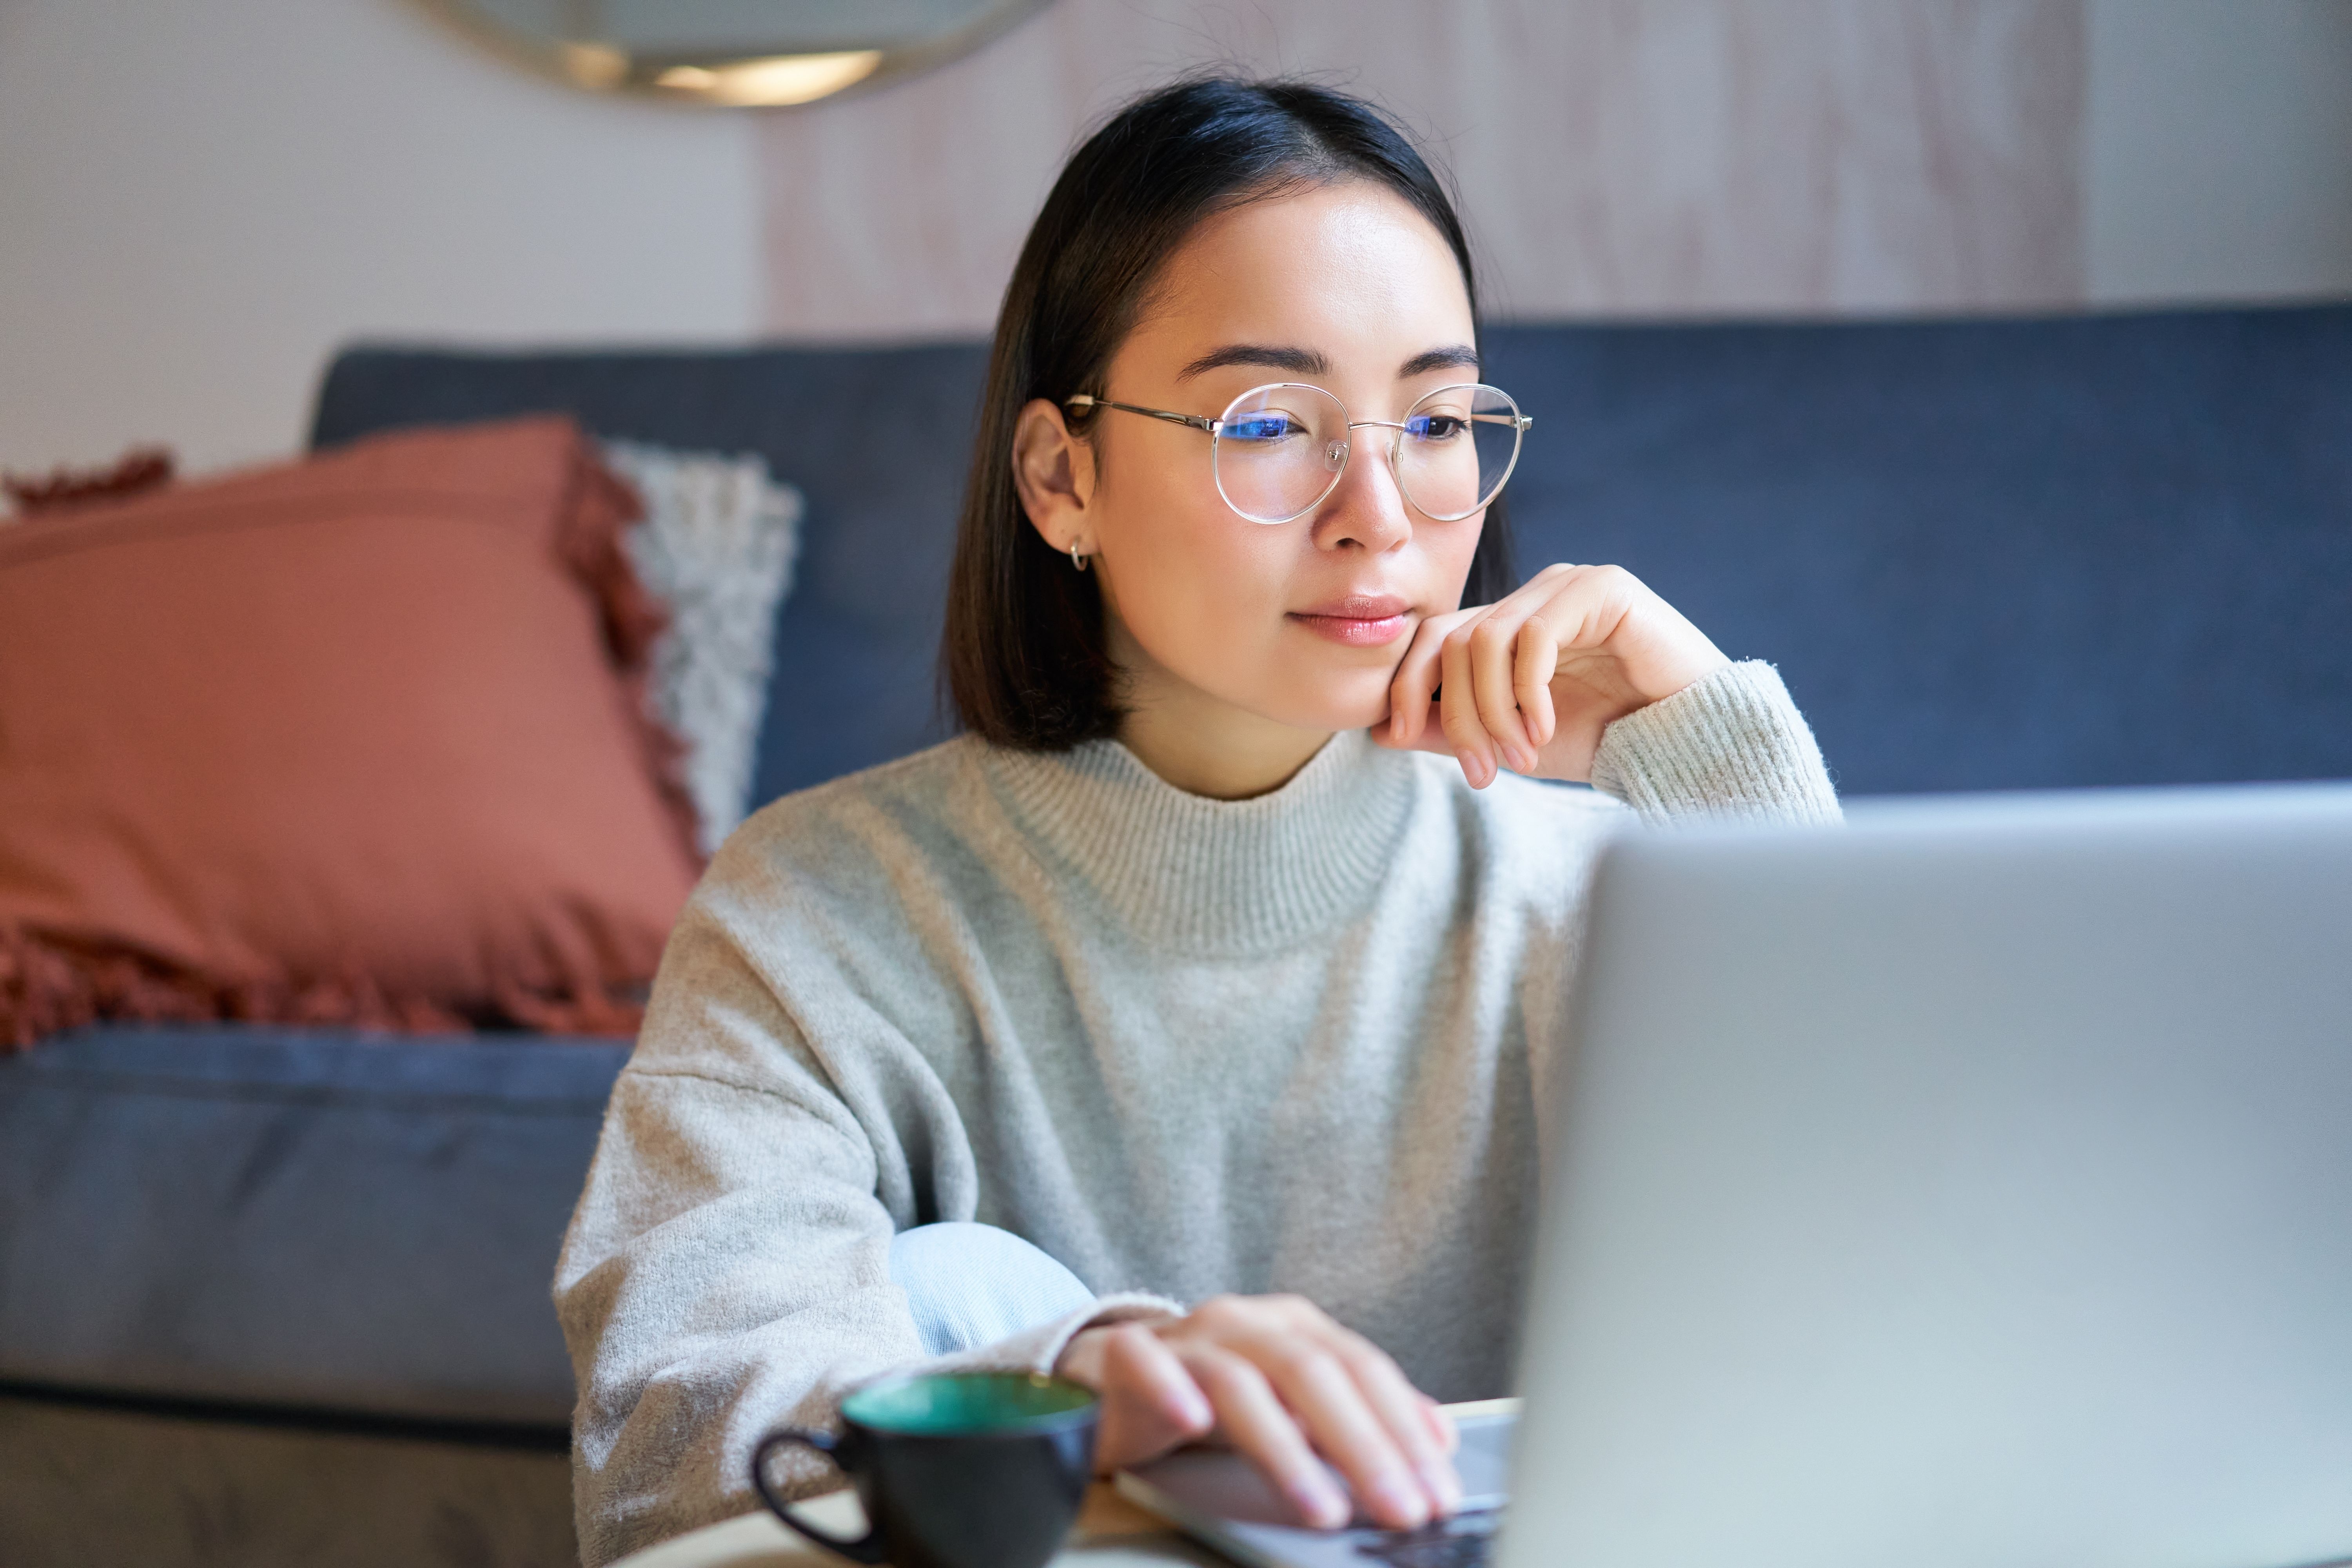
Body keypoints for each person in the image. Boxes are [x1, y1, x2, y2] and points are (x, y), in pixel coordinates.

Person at [555, 75, 1839, 1567]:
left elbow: (1917, 1315)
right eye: (1269, 421)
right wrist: (1065, 1382)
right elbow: (671, 1460)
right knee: (952, 1283)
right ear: (1062, 478)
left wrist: (1717, 776)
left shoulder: (1607, 888)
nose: (1383, 512)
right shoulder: (819, 913)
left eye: (1434, 418)